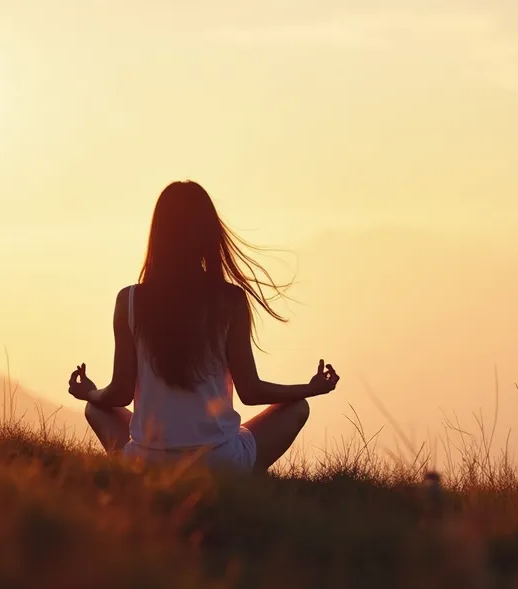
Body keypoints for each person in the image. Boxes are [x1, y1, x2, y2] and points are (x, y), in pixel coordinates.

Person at [66, 180, 339, 474]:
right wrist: (310, 388)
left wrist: (89, 393)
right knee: (298, 407)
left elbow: (120, 394)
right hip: (221, 463)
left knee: (95, 409)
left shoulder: (129, 300)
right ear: (209, 235)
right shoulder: (230, 300)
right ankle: (236, 479)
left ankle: (153, 471)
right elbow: (250, 391)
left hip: (147, 463)